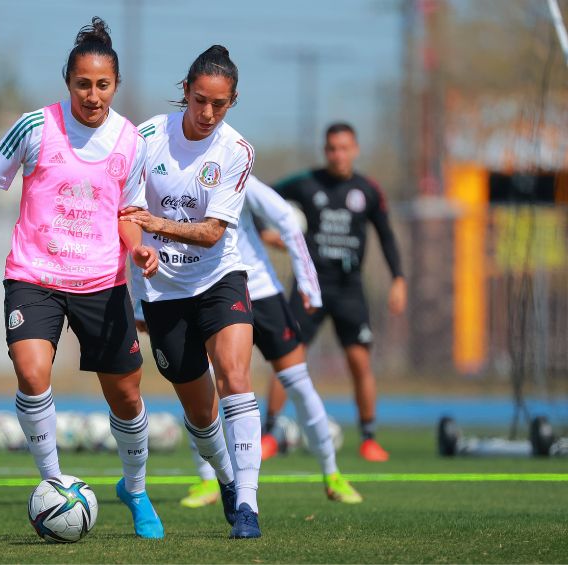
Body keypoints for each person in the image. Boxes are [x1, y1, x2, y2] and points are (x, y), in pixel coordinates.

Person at [0, 17, 165, 539]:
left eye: (102, 85)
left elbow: (127, 212)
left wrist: (139, 248)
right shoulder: (35, 127)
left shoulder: (131, 141)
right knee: (32, 373)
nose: (93, 95)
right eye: (83, 84)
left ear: (114, 86)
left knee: (125, 396)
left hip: (102, 282)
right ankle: (56, 485)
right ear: (68, 82)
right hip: (34, 276)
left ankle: (136, 489)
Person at [121, 45, 261, 539]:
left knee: (235, 374)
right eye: (199, 100)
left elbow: (210, 233)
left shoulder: (235, 152)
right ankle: (225, 477)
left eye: (219, 105)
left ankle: (247, 504)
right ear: (185, 91)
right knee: (201, 414)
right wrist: (139, 251)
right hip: (163, 292)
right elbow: (126, 213)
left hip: (219, 278)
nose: (207, 114)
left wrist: (155, 224)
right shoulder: (145, 138)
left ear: (232, 102)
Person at [178, 174, 363, 508]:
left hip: (260, 291)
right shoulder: (173, 177)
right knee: (203, 387)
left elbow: (286, 218)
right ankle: (208, 480)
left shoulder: (233, 172)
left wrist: (308, 281)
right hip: (208, 291)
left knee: (298, 382)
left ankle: (332, 474)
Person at [267, 122, 407, 462]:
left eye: (344, 148)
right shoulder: (305, 183)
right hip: (308, 285)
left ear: (355, 150)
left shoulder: (368, 190)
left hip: (349, 288)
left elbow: (386, 235)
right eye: (331, 148)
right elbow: (260, 195)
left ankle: (369, 438)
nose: (337, 154)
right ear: (325, 150)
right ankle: (268, 434)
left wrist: (398, 279)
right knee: (287, 357)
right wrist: (269, 237)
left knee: (360, 361)